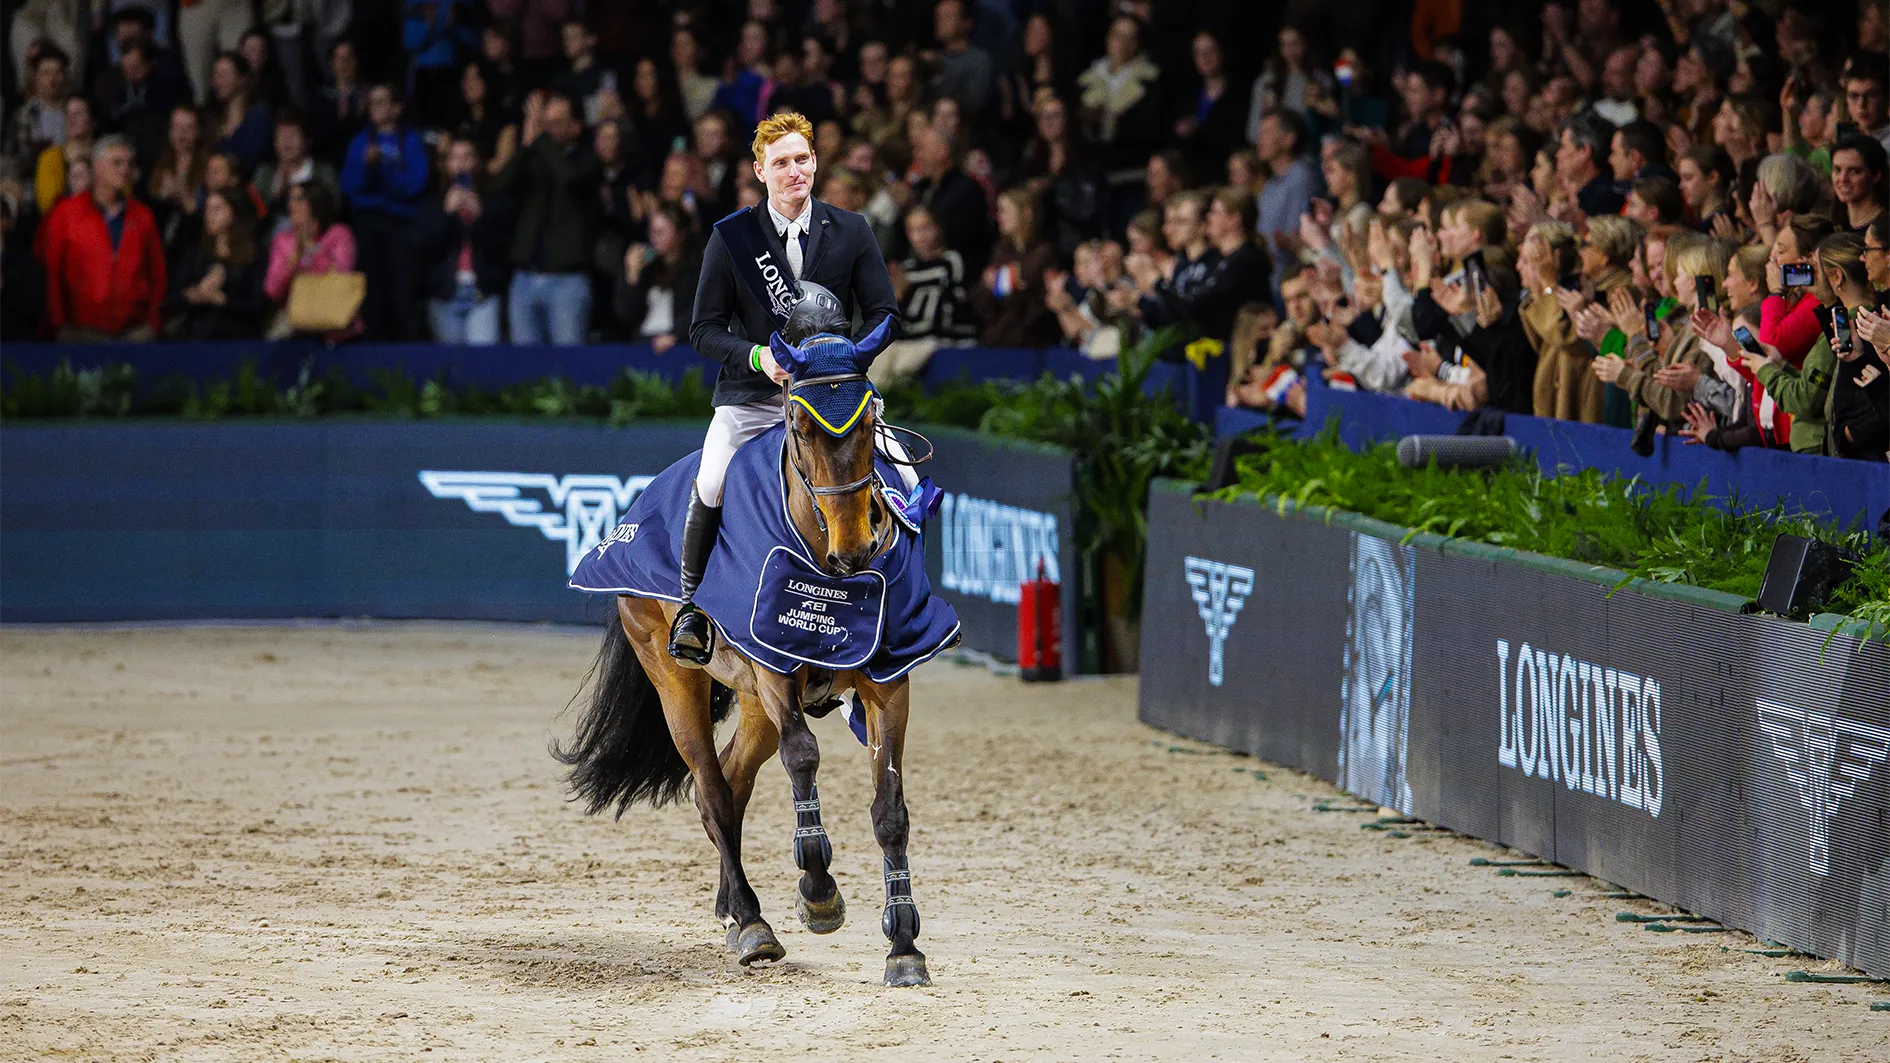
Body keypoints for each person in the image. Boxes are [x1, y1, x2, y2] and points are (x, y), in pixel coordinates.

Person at [671, 111, 901, 665]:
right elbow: (702, 330)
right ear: (759, 170)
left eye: (802, 159)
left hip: (833, 395)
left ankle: (902, 605)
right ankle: (692, 608)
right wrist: (755, 355)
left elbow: (884, 313)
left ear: (815, 163)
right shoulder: (732, 238)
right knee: (712, 478)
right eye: (781, 163)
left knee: (902, 473)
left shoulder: (852, 230)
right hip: (752, 396)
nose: (794, 171)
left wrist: (846, 360)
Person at [492, 91, 601, 345]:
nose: (548, 129)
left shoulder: (588, 160)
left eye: (556, 123)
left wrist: (539, 137)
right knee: (524, 371)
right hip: (524, 279)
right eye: (545, 123)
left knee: (569, 371)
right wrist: (525, 148)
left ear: (576, 127)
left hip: (567, 282)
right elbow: (498, 188)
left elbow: (569, 177)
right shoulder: (535, 156)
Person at [38, 136, 166, 342]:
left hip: (135, 334)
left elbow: (157, 273)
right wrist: (59, 326)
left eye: (129, 164)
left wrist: (153, 324)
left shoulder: (143, 216)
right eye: (117, 163)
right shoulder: (65, 214)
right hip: (81, 334)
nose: (125, 169)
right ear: (97, 167)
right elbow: (52, 274)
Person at [339, 83, 431, 341]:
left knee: (402, 290)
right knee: (372, 292)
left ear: (397, 107)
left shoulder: (411, 140)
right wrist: (367, 168)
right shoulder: (359, 142)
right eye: (372, 102)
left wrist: (383, 169)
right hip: (367, 223)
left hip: (400, 223)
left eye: (381, 102)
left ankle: (407, 355)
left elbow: (416, 184)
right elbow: (349, 186)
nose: (375, 108)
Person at [416, 137, 511, 345]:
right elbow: (424, 248)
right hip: (444, 295)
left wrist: (481, 218)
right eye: (455, 158)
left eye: (467, 157)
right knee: (450, 368)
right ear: (446, 164)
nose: (461, 164)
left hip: (482, 295)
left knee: (483, 367)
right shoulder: (433, 203)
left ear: (477, 162)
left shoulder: (493, 201)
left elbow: (502, 250)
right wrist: (447, 215)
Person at [164, 186, 263, 338]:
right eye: (207, 209)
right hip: (197, 333)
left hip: (238, 335)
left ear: (233, 212)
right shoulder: (195, 253)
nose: (209, 216)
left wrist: (222, 299)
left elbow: (257, 303)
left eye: (217, 209)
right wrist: (194, 295)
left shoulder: (252, 255)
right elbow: (173, 297)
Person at [262, 180, 357, 338]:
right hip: (294, 320)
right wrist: (295, 258)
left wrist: (311, 252)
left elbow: (341, 277)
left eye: (299, 199)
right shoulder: (282, 240)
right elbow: (272, 290)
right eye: (290, 200)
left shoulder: (338, 234)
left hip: (333, 317)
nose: (292, 206)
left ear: (316, 203)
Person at [969, 187, 1058, 347]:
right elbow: (984, 299)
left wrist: (1002, 283)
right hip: (997, 338)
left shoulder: (1043, 254)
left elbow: (1034, 301)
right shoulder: (1000, 252)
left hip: (1030, 342)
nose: (999, 217)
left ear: (1026, 213)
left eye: (1004, 211)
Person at [614, 202, 702, 353]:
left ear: (680, 233)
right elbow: (626, 316)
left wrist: (676, 335)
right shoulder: (646, 269)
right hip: (643, 343)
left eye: (661, 232)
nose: (655, 237)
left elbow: (699, 310)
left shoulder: (696, 269)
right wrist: (632, 276)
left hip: (681, 345)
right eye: (652, 232)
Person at [252, 110, 339, 226]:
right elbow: (253, 211)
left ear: (307, 141)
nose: (286, 141)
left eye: (293, 135)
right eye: (281, 136)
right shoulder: (265, 172)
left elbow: (334, 205)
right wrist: (275, 195)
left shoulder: (323, 171)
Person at [34, 96, 95, 213]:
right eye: (67, 114)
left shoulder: (107, 156)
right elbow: (47, 205)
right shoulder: (50, 158)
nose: (71, 119)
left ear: (93, 120)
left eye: (78, 113)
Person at [1830, 136, 1887, 234]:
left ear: (1876, 176)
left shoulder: (1885, 228)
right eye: (1837, 170)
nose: (1843, 179)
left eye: (1854, 171)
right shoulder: (1832, 227)